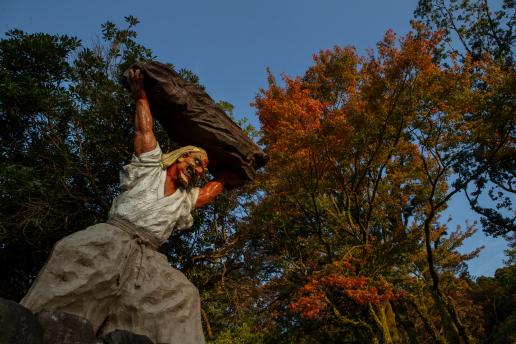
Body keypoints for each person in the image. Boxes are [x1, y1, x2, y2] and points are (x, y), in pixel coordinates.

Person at [20, 68, 229, 344]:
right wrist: (140, 94)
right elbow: (144, 129)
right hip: (111, 238)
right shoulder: (149, 166)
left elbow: (209, 193)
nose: (199, 170)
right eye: (196, 162)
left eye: (203, 169)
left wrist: (229, 173)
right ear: (179, 157)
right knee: (72, 260)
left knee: (183, 295)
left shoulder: (184, 199)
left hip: (150, 261)